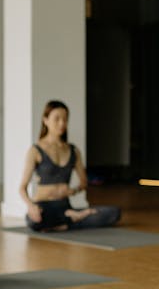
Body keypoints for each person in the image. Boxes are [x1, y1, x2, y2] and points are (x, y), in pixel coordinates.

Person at [19, 99, 121, 232]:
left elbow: (84, 182)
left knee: (114, 213)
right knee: (32, 221)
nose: (62, 123)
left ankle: (64, 222)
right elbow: (22, 187)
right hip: (43, 207)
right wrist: (31, 206)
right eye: (57, 119)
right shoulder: (36, 150)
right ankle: (71, 220)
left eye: (65, 119)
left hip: (65, 206)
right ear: (45, 120)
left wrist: (73, 191)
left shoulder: (73, 150)